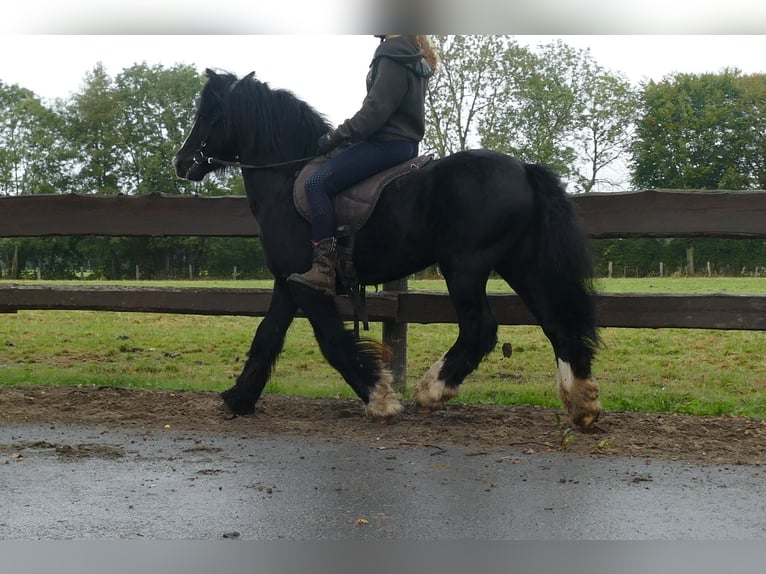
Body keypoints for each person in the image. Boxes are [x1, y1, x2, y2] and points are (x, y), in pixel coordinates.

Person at [288, 35, 439, 296]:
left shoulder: (392, 50)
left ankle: (324, 268)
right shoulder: (413, 53)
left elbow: (375, 111)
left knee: (316, 183)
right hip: (403, 144)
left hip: (385, 143)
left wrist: (338, 136)